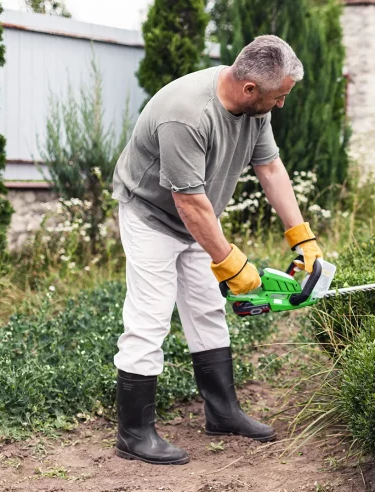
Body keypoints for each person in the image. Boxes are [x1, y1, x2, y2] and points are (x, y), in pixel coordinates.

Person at [110, 35, 322, 465]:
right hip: (152, 214)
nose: (280, 105)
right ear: (250, 89)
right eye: (278, 97)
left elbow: (270, 168)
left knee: (207, 308)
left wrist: (301, 235)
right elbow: (187, 203)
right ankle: (133, 433)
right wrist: (229, 261)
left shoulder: (253, 108)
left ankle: (222, 412)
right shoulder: (187, 115)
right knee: (150, 317)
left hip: (198, 217)